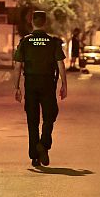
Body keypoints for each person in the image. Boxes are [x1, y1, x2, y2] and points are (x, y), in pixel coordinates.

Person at [12, 11, 68, 167]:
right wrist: (64, 85)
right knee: (50, 116)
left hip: (30, 83)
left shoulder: (25, 42)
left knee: (32, 119)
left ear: (32, 23)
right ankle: (43, 144)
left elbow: (17, 66)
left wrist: (16, 87)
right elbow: (60, 64)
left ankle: (34, 156)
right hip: (48, 83)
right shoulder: (52, 42)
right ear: (45, 23)